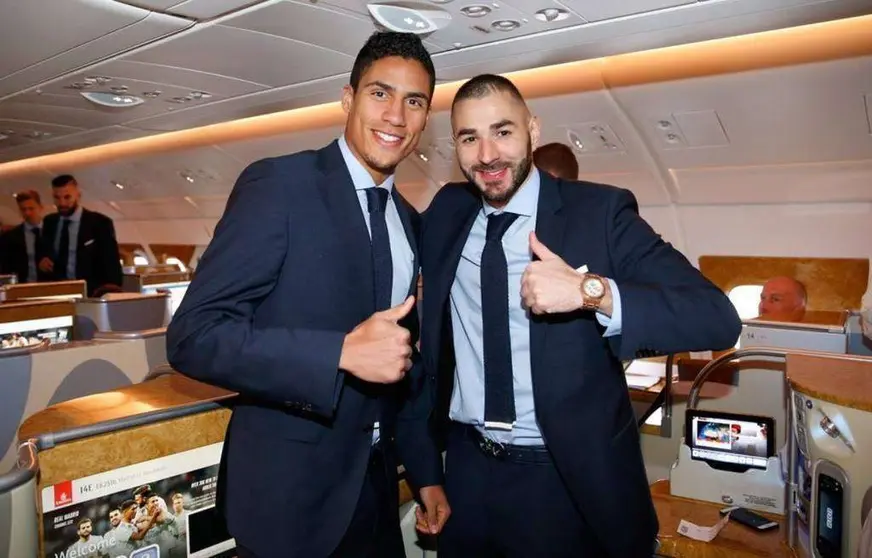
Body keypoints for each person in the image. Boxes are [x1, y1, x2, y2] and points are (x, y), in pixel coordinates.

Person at [417, 73, 742, 557]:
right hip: (467, 468)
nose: (487, 155)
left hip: (563, 475)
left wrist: (591, 291)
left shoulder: (600, 213)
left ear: (532, 129)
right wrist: (427, 470)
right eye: (469, 138)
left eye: (502, 132)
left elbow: (716, 316)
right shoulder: (447, 210)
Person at [166, 31, 449, 558]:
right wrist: (337, 353)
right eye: (380, 94)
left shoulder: (409, 222)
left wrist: (427, 473)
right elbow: (193, 336)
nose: (395, 116)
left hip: (375, 490)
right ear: (348, 99)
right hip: (288, 501)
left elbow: (400, 362)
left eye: (414, 102)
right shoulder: (280, 186)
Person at [42, 175, 123, 296]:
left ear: (78, 195)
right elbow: (45, 253)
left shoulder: (100, 223)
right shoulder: (49, 222)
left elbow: (112, 264)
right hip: (57, 293)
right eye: (57, 198)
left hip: (90, 293)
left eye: (67, 197)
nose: (62, 203)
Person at [0, 190, 50, 283]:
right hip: (23, 287)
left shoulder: (53, 232)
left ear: (40, 207)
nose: (27, 213)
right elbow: (6, 269)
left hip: (52, 286)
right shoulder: (11, 237)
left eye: (31, 208)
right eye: (23, 209)